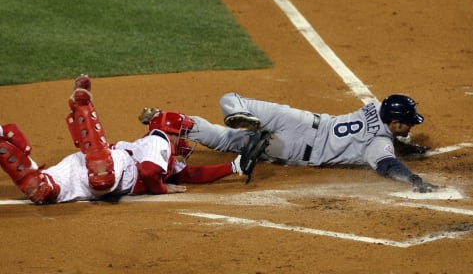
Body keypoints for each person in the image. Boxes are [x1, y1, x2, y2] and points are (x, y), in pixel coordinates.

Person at [0, 76, 243, 204]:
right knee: (101, 174)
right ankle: (83, 108)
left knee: (40, 190)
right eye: (181, 133)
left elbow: (193, 175)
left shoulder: (166, 158)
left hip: (89, 172)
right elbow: (148, 172)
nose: (184, 140)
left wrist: (233, 167)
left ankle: (2, 136)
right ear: (169, 131)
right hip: (112, 168)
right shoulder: (159, 140)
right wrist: (161, 188)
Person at [140, 92, 437, 192]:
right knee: (225, 139)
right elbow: (387, 165)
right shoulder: (378, 145)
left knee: (229, 99)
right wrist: (414, 180)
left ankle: (170, 118)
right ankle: (243, 131)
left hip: (299, 120)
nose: (411, 125)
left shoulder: (375, 105)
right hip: (294, 149)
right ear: (395, 123)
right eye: (408, 123)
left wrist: (408, 147)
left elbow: (389, 134)